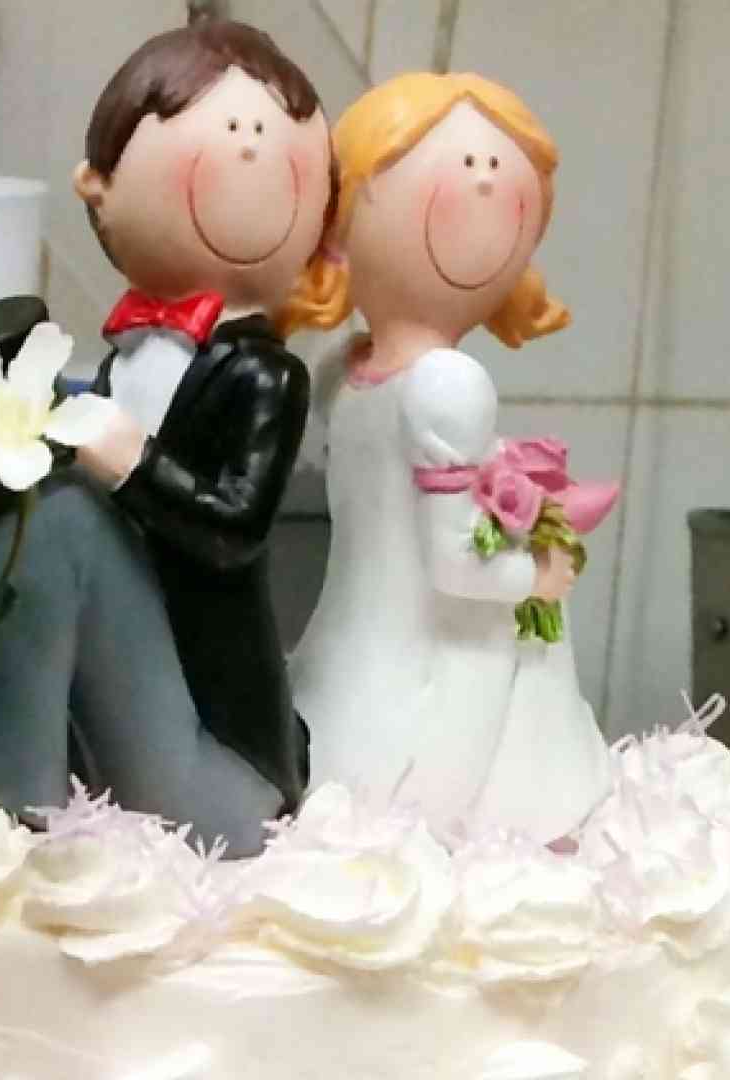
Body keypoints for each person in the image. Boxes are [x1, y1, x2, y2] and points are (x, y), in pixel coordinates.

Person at [0, 20, 335, 854]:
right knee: (16, 497)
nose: (251, 145)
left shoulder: (264, 377)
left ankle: (5, 810)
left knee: (65, 519)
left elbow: (232, 533)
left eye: (276, 134)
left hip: (215, 764)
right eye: (223, 125)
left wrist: (128, 460)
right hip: (117, 741)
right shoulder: (129, 360)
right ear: (98, 188)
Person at [283, 73, 613, 842]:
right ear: (339, 232)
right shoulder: (447, 384)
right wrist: (538, 575)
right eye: (457, 161)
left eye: (502, 166)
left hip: (344, 665)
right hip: (436, 672)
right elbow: (458, 568)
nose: (484, 175)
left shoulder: (341, 370)